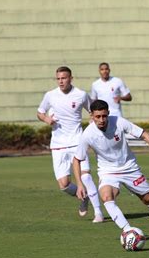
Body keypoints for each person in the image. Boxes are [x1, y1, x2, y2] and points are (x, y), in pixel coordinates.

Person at [72, 100, 149, 240]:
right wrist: (80, 184)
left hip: (130, 168)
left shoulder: (118, 122)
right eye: (97, 116)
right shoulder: (88, 134)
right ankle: (128, 230)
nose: (101, 120)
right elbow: (76, 160)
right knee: (106, 196)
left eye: (104, 116)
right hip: (108, 171)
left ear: (108, 114)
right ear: (91, 116)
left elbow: (144, 134)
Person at [37, 66, 103, 222]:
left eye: (64, 78)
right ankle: (83, 197)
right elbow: (40, 112)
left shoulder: (80, 95)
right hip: (58, 145)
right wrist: (46, 119)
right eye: (58, 78)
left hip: (77, 142)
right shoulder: (50, 95)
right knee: (64, 185)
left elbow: (92, 110)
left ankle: (98, 212)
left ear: (71, 78)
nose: (61, 81)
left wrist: (92, 122)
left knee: (85, 177)